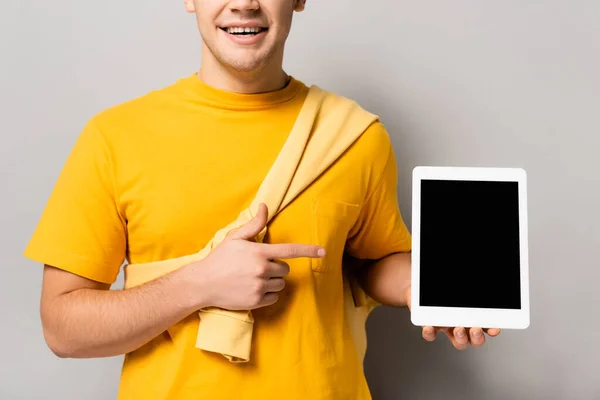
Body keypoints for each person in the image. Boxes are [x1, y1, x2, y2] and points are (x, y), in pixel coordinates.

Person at [24, 1, 501, 399]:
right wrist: (199, 285)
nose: (245, 2)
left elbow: (370, 264)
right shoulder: (115, 137)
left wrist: (432, 289)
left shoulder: (355, 136)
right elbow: (63, 329)